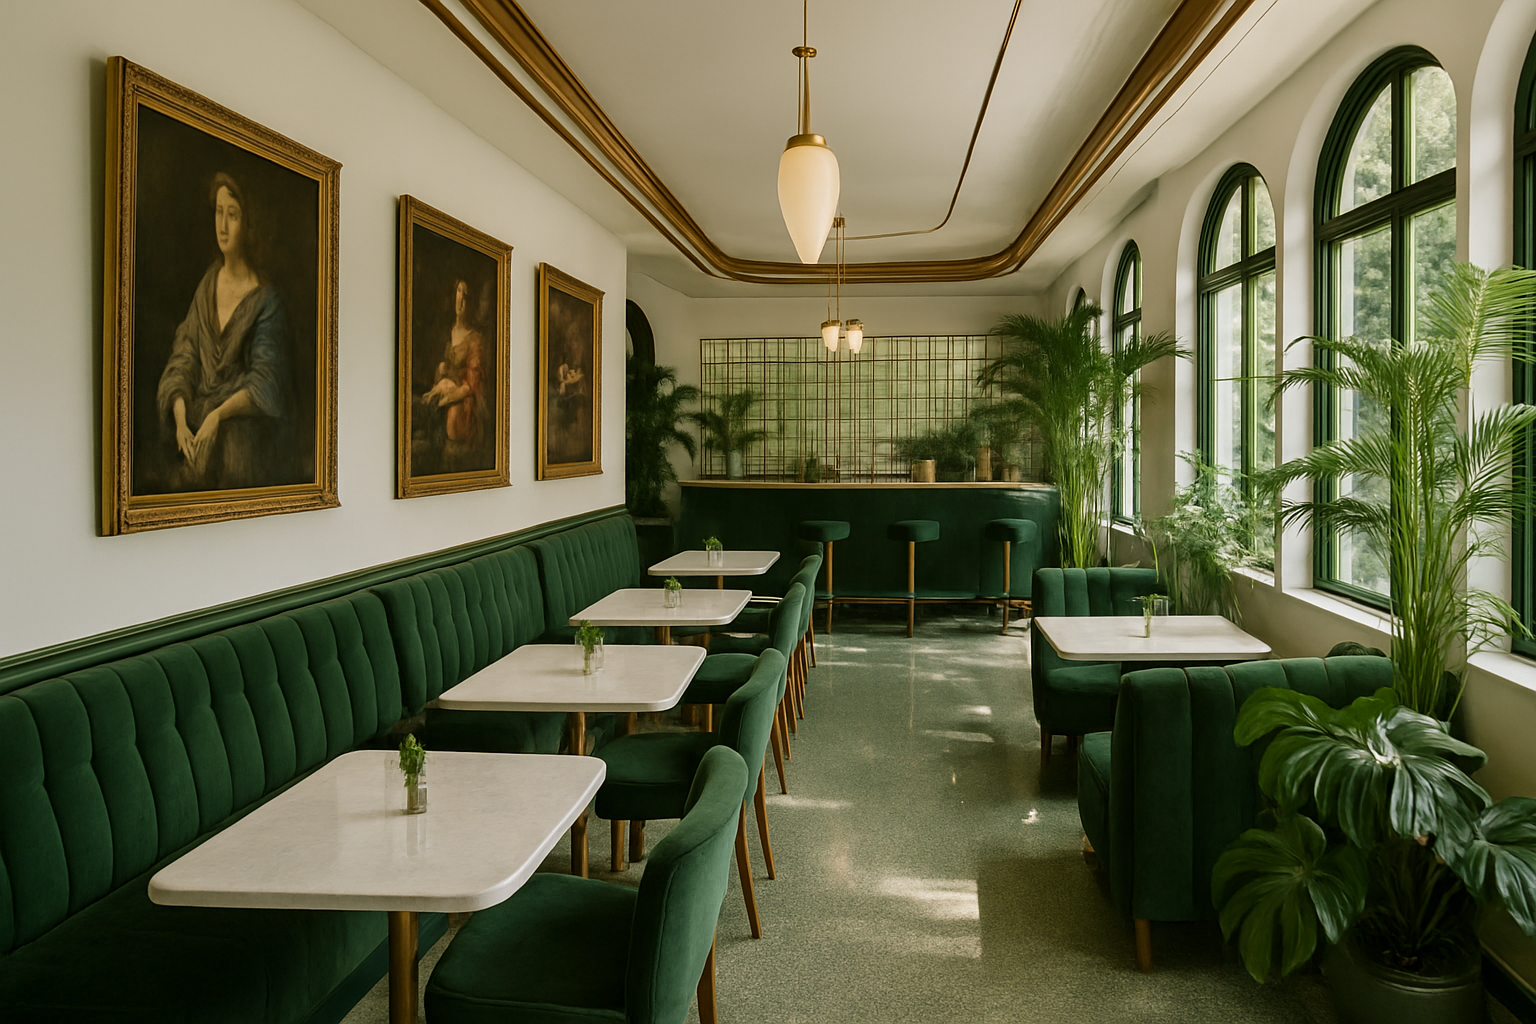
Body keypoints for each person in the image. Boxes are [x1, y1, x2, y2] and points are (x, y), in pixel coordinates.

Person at [155, 171, 290, 490]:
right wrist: (179, 419)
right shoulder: (207, 285)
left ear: (248, 223)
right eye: (219, 212)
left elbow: (265, 381)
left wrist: (217, 415)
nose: (223, 226)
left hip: (240, 434)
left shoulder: (265, 300)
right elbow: (184, 356)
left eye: (233, 215)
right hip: (195, 423)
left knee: (232, 457)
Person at [420, 278, 487, 469]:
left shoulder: (475, 340)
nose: (461, 300)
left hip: (461, 409)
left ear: (471, 302)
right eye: (459, 292)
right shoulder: (447, 333)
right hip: (444, 397)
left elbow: (470, 387)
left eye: (466, 296)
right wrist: (441, 378)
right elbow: (442, 373)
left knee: (452, 416)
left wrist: (445, 399)